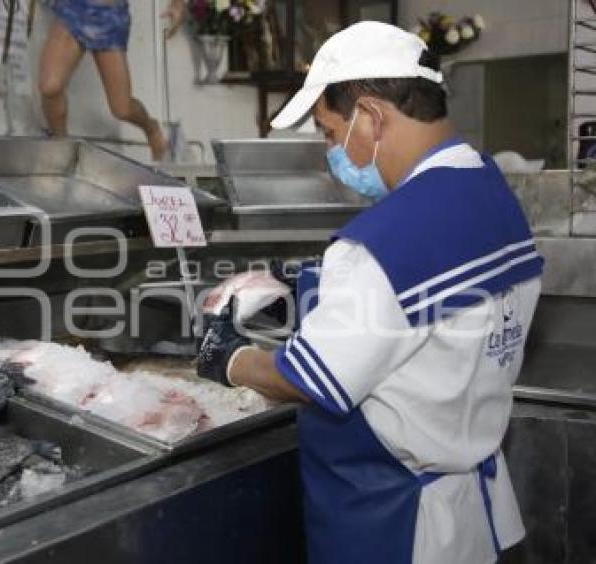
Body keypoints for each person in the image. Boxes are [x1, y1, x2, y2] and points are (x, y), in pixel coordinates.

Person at [197, 21, 543, 564]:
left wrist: (228, 359)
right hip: (475, 515)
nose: (332, 153)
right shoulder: (487, 186)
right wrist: (314, 277)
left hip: (397, 528)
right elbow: (432, 294)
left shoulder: (378, 244)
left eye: (330, 133)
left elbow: (308, 380)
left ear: (373, 116)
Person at [38, 0, 184, 161]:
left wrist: (177, 4)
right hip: (72, 8)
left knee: (122, 109)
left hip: (110, 16)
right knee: (50, 86)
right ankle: (61, 146)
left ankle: (152, 129)